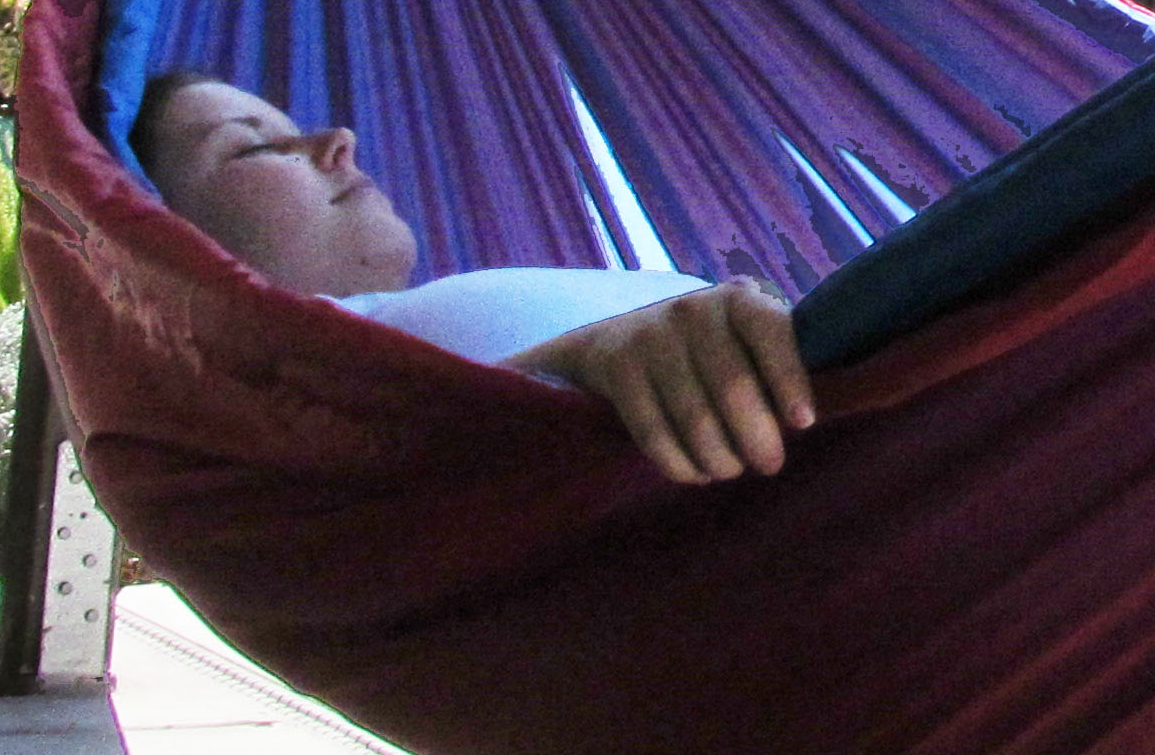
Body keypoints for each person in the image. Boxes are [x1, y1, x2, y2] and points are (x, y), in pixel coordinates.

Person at [135, 71, 816, 486]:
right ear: (159, 249)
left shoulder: (380, 343)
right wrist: (578, 367)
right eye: (252, 146)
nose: (339, 139)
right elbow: (392, 484)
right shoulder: (285, 416)